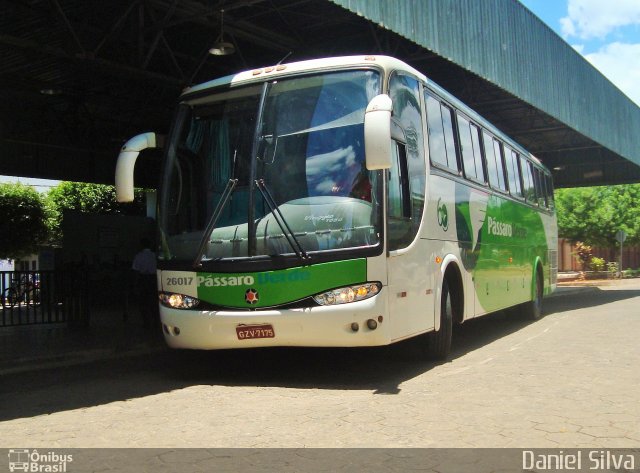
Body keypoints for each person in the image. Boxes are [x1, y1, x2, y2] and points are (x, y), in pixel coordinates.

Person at [132, 238, 158, 327]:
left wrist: (135, 284)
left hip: (143, 279)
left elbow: (136, 271)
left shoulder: (138, 256)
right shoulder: (154, 256)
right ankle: (155, 320)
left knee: (143, 302)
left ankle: (146, 321)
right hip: (153, 279)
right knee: (154, 301)